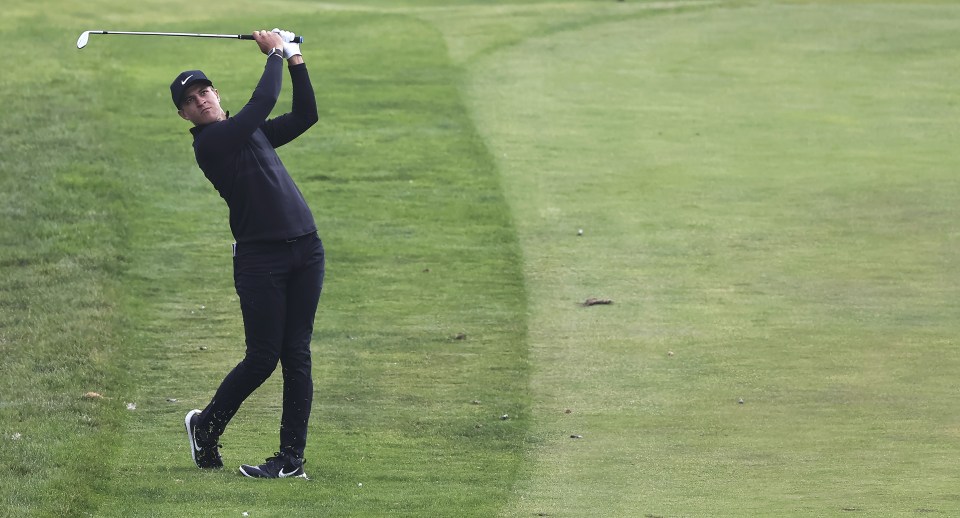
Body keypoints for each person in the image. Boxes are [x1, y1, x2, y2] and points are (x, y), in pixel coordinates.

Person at [171, 29, 323, 479]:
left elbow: (306, 114)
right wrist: (274, 52)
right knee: (262, 358)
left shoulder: (249, 132)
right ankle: (205, 427)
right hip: (261, 261)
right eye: (191, 100)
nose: (201, 100)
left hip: (307, 249)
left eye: (205, 90)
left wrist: (295, 59)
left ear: (216, 94)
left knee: (296, 354)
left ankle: (291, 460)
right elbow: (263, 101)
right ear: (184, 116)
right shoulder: (211, 144)